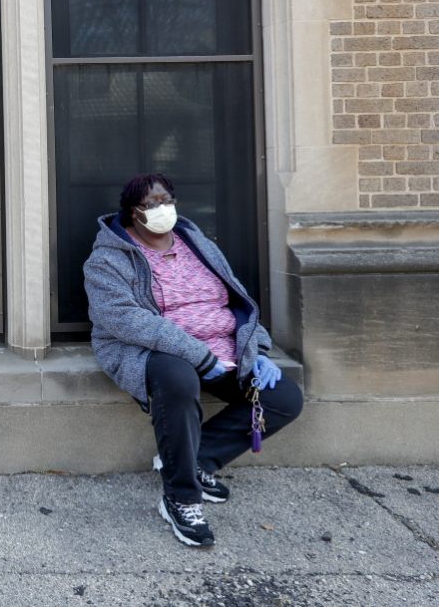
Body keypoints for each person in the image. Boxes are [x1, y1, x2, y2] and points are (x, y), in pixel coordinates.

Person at [83, 173, 303, 548]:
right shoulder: (107, 259)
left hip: (223, 348)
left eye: (165, 199)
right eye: (150, 204)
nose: (160, 209)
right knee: (179, 379)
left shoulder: (197, 243)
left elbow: (237, 299)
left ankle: (197, 460)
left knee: (283, 399)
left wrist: (259, 349)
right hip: (153, 351)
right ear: (132, 213)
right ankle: (181, 497)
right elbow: (124, 318)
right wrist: (198, 355)